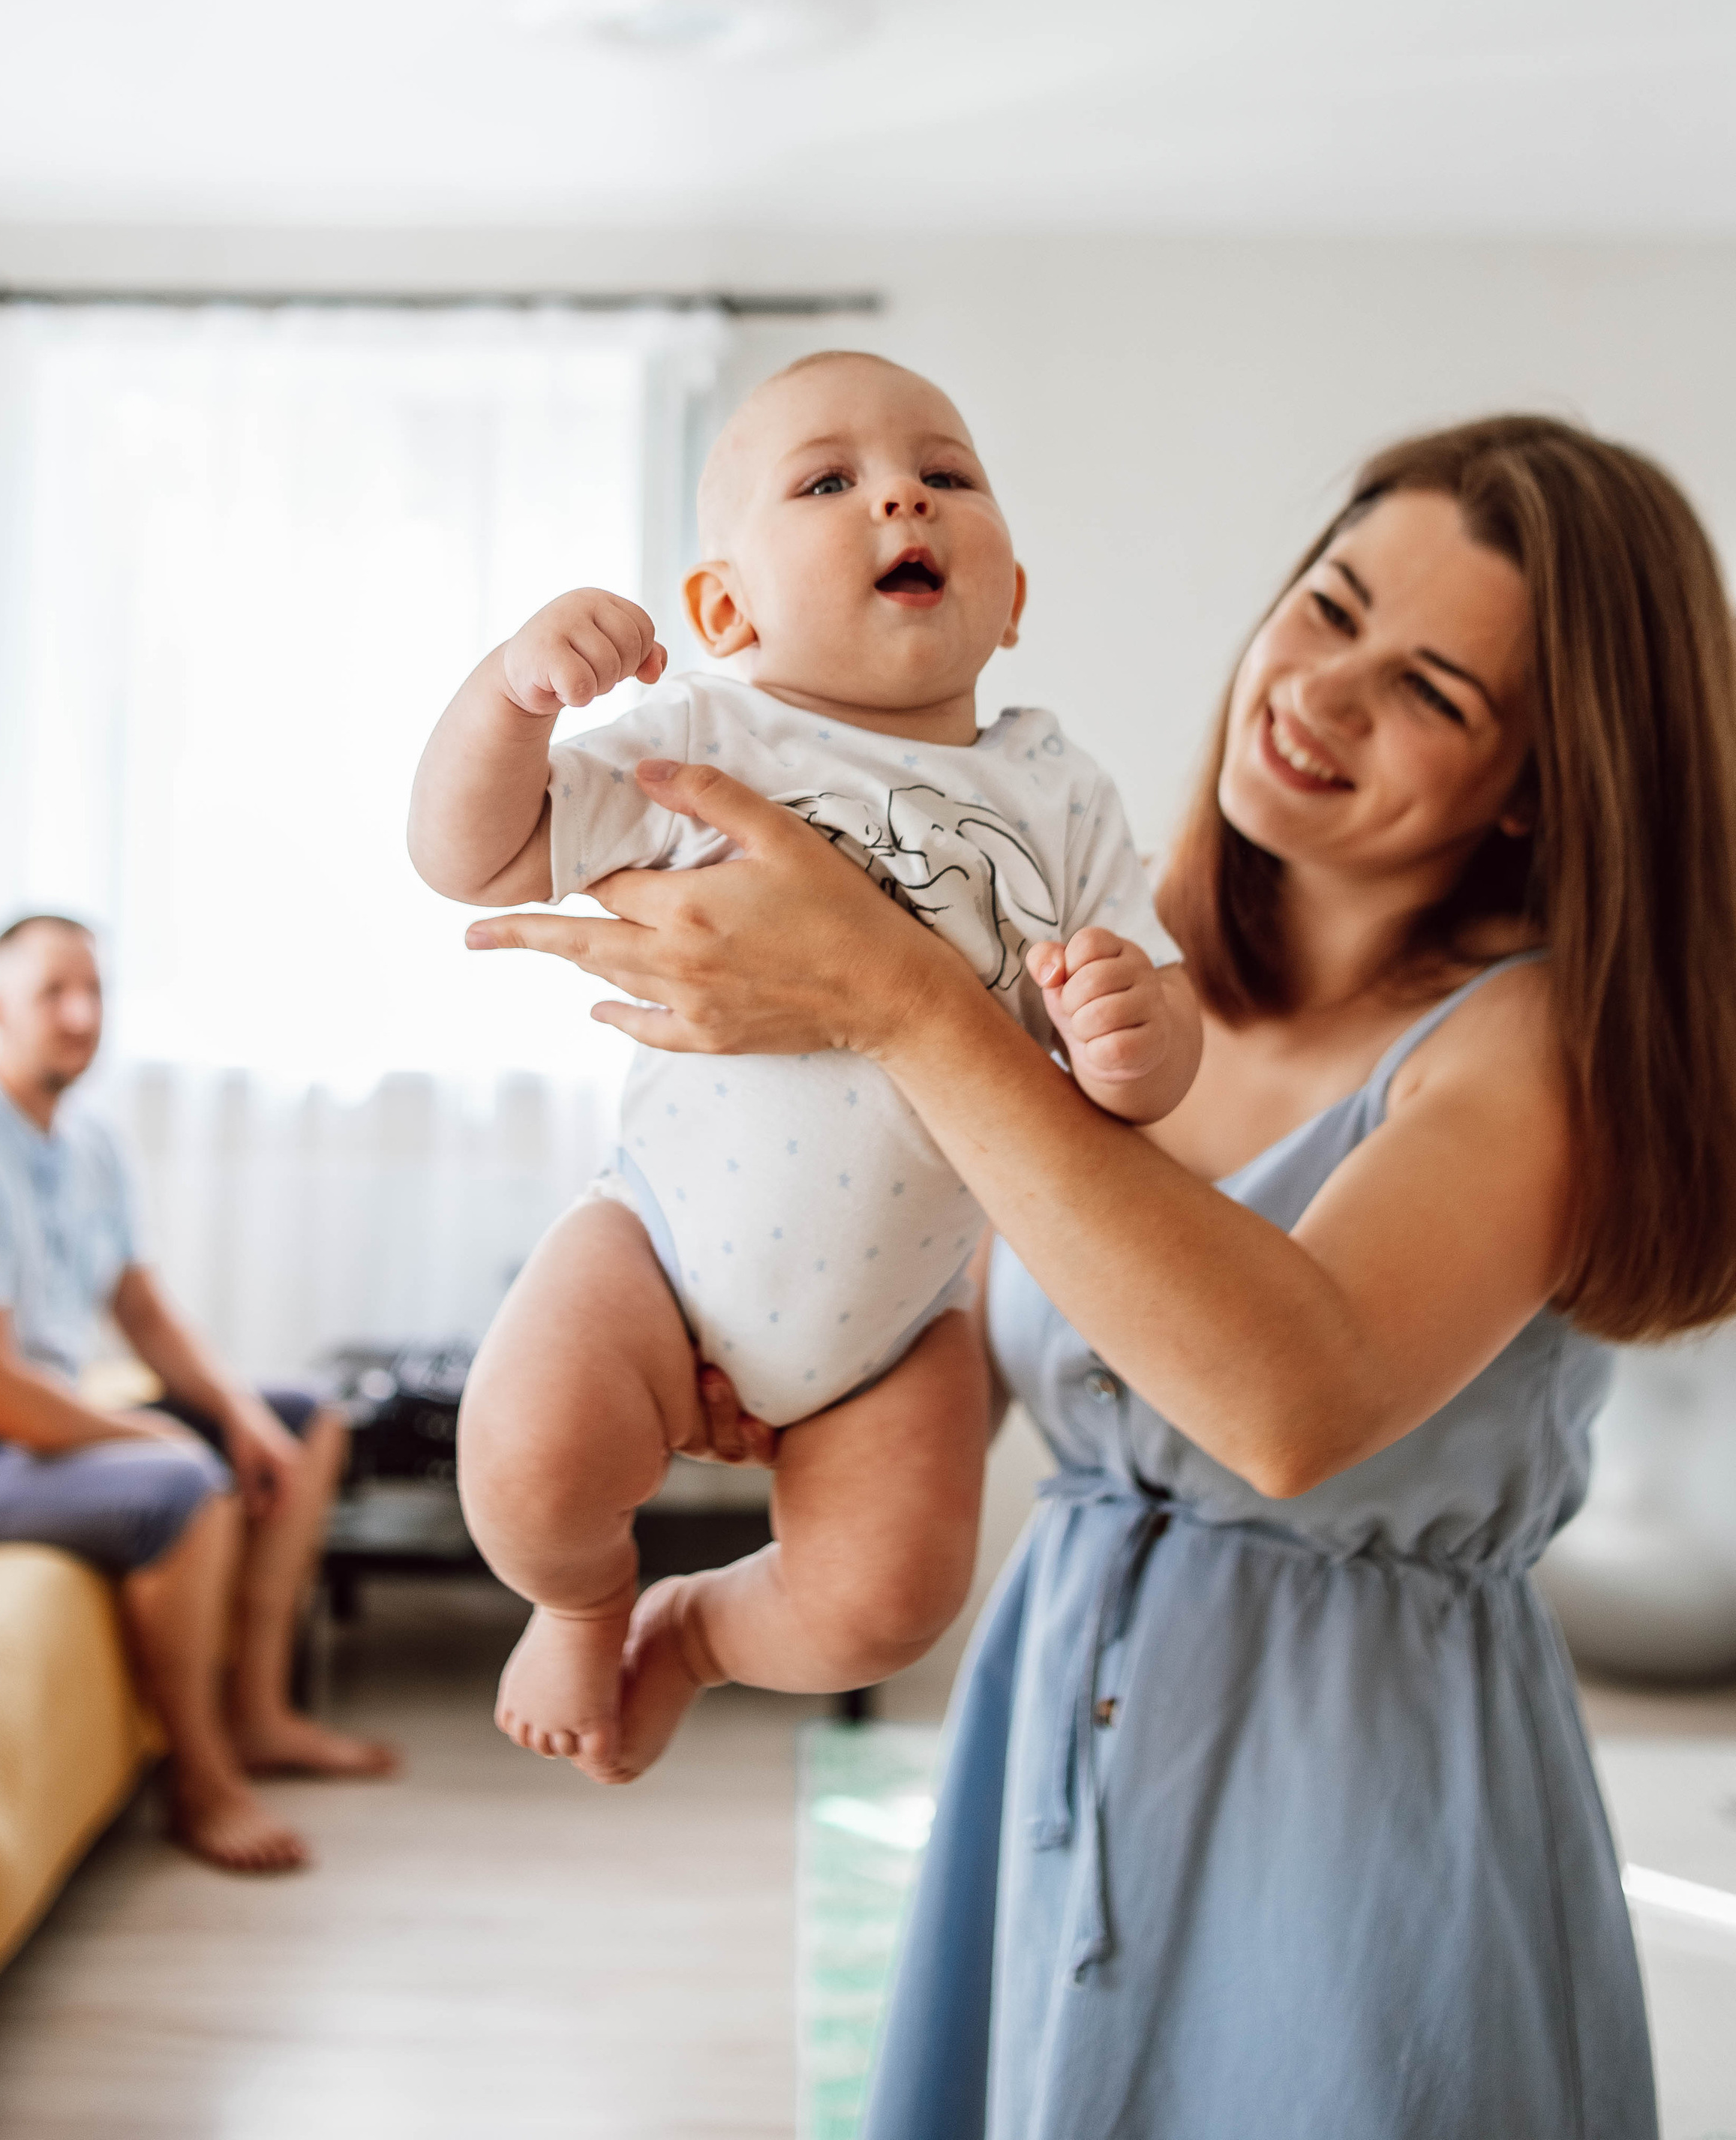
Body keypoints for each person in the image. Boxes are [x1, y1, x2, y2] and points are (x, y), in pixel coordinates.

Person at [461, 413, 1736, 2139]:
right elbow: (970, 1310)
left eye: (1431, 688)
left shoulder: (1531, 1044)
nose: (1323, 688)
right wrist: (723, 1364)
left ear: (1537, 776)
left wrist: (897, 997)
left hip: (1353, 1806)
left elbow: (1291, 1400)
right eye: (1328, 603)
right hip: (1057, 1725)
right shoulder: (1119, 974)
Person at [409, 354, 1199, 1782]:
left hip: (901, 1324)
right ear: (725, 609)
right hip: (657, 1242)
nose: (902, 492)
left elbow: (1146, 1060)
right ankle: (585, 1596)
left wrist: (1135, 1035)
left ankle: (698, 1634)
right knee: (527, 1468)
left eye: (946, 475)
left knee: (886, 1607)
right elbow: (476, 856)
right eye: (829, 481)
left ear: (1010, 598)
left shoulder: (1058, 789)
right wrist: (510, 698)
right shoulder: (713, 736)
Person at [0, 915, 395, 1874]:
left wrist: (244, 1417)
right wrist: (154, 1440)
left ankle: (259, 1716)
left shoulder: (87, 1142)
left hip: (24, 1432)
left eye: (94, 991)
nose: (81, 1013)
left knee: (307, 1422)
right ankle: (203, 1783)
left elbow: (141, 1308)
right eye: (53, 992)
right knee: (185, 1491)